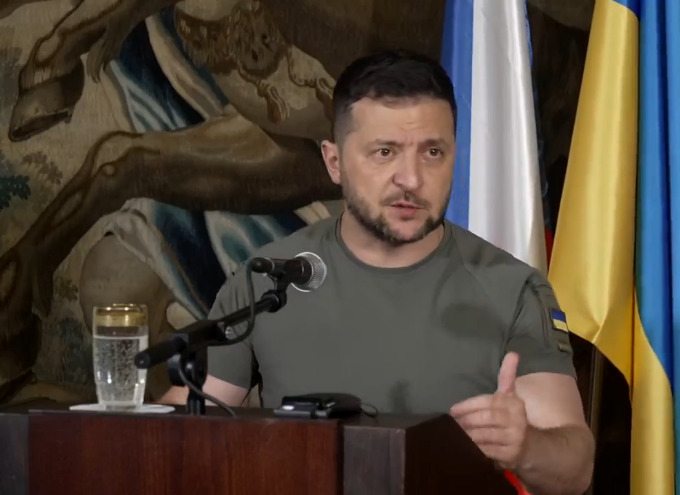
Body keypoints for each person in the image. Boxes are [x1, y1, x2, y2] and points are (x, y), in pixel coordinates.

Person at [159, 49, 594, 495]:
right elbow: (181, 434)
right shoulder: (270, 280)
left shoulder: (512, 288)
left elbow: (575, 470)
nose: (411, 179)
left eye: (433, 152)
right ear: (334, 162)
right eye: (385, 152)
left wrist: (525, 446)